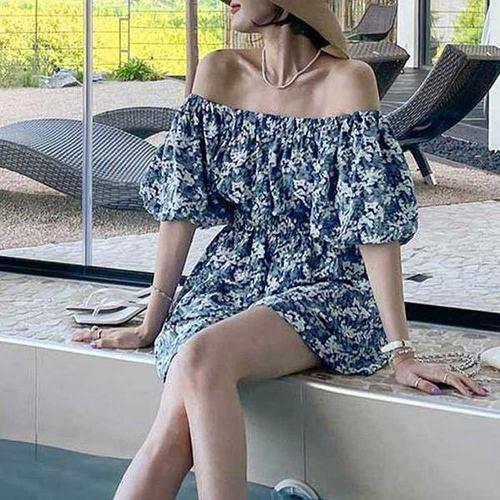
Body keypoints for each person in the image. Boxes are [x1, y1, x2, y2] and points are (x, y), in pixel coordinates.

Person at [72, 1, 489, 498]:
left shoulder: (348, 81)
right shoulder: (218, 71)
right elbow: (179, 206)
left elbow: (374, 223)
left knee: (198, 359)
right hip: (227, 279)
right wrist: (151, 322)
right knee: (181, 392)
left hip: (326, 283)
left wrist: (400, 352)